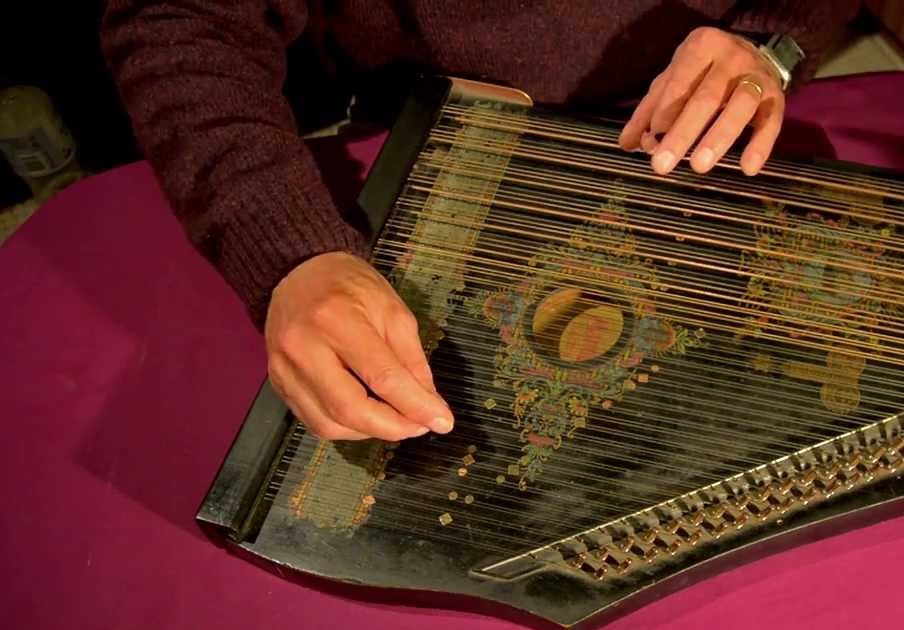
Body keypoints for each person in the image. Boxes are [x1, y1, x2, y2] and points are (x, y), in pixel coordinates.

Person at [101, 1, 852, 443]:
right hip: (437, 146)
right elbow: (183, 20)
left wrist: (774, 43)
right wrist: (290, 252)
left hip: (700, 132)